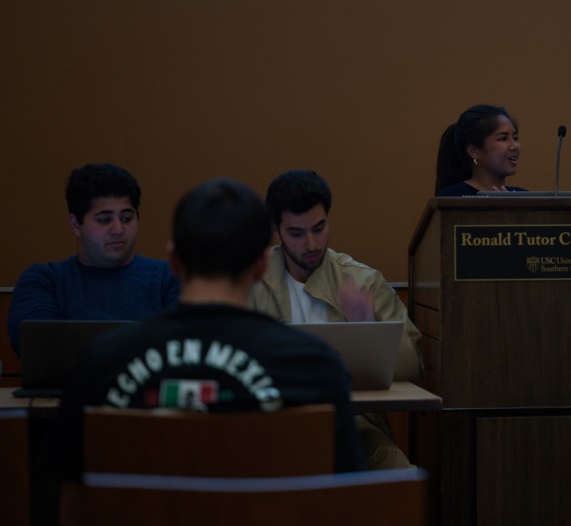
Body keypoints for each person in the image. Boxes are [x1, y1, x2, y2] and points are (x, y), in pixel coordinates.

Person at [44, 179, 366, 510]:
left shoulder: (100, 362)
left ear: (174, 260)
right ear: (261, 265)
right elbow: (345, 501)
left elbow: (70, 500)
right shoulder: (316, 367)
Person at [252, 169, 422, 469]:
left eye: (319, 228)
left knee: (397, 470)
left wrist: (371, 330)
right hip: (270, 421)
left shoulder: (362, 281)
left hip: (349, 422)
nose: (312, 243)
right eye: (297, 233)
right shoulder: (251, 281)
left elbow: (414, 367)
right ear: (276, 231)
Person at [7, 163, 180, 355]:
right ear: (75, 225)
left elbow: (186, 346)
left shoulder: (171, 276)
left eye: (126, 218)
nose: (118, 230)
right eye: (104, 220)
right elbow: (39, 349)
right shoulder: (44, 280)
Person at [435, 104, 527, 196]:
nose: (514, 146)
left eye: (515, 138)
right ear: (473, 151)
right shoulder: (454, 197)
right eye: (503, 139)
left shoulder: (524, 196)